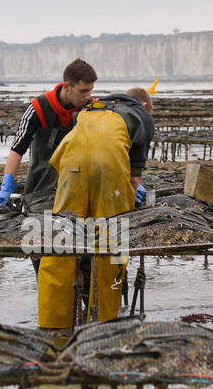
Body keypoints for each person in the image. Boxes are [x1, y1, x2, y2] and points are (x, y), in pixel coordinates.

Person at [36, 88, 154, 329]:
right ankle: (104, 322)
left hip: (71, 162)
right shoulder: (143, 116)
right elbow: (133, 178)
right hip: (109, 164)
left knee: (62, 238)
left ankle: (52, 326)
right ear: (143, 103)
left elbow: (71, 153)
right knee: (110, 241)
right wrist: (129, 198)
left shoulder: (92, 106)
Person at [0, 59, 97, 207]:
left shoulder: (91, 108)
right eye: (83, 91)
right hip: (40, 182)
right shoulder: (38, 108)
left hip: (77, 182)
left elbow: (105, 145)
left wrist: (131, 176)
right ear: (67, 86)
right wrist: (6, 185)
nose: (88, 96)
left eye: (90, 90)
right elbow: (18, 148)